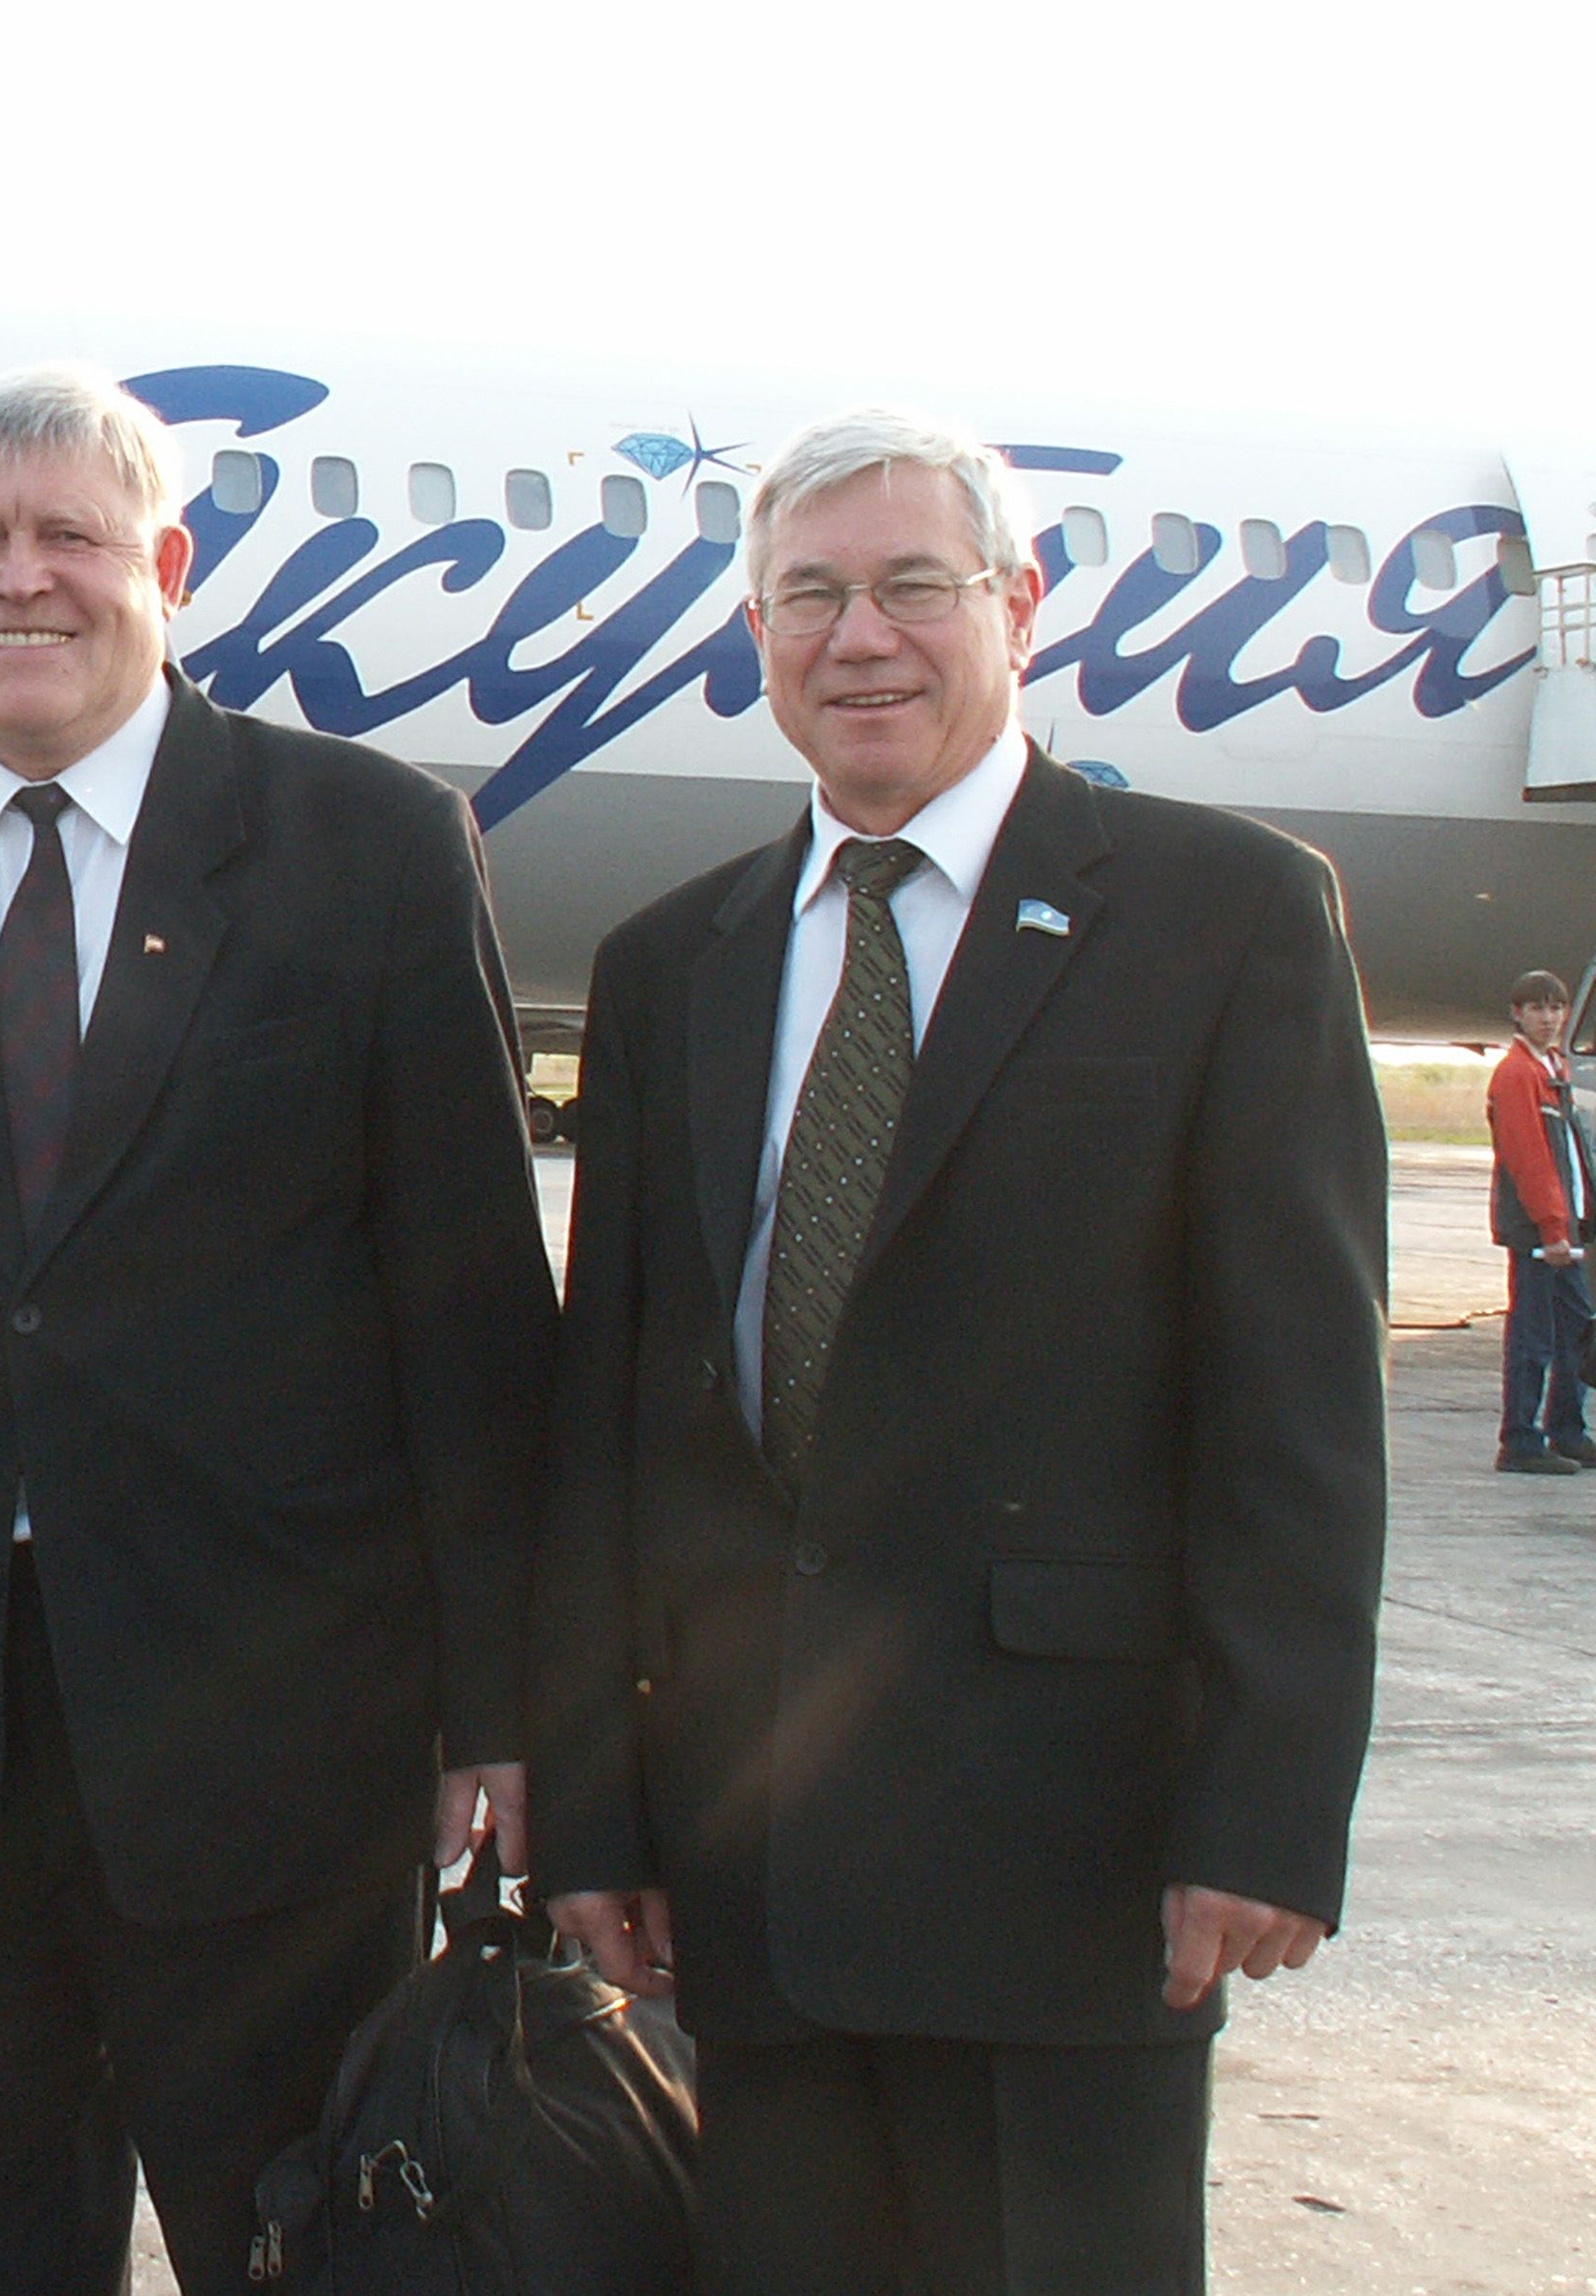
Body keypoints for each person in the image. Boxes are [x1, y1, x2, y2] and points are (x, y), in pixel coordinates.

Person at [0, 364, 558, 2296]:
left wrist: (506, 1711)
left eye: (68, 534)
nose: (19, 578)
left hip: (282, 1742)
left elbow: (473, 1310)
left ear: (169, 565)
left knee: (304, 2251)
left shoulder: (369, 847)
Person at [529, 407, 1389, 2295]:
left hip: (1070, 1859)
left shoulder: (1222, 915)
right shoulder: (673, 964)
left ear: (1018, 602)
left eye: (913, 586)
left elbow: (1299, 1416)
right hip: (747, 1864)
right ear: (753, 635)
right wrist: (591, 1806)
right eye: (807, 596)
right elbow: (613, 1422)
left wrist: (1264, 1807)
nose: (860, 638)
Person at [1488, 968, 1596, 1474]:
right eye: (1538, 1008)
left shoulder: (1552, 1067)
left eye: (1556, 1008)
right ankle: (1521, 1439)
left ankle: (1566, 1428)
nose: (1549, 1018)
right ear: (1517, 1014)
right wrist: (1552, 1227)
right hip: (1540, 1234)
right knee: (1534, 1337)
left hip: (1564, 1229)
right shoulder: (1517, 1075)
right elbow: (1529, 1158)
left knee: (1576, 1330)